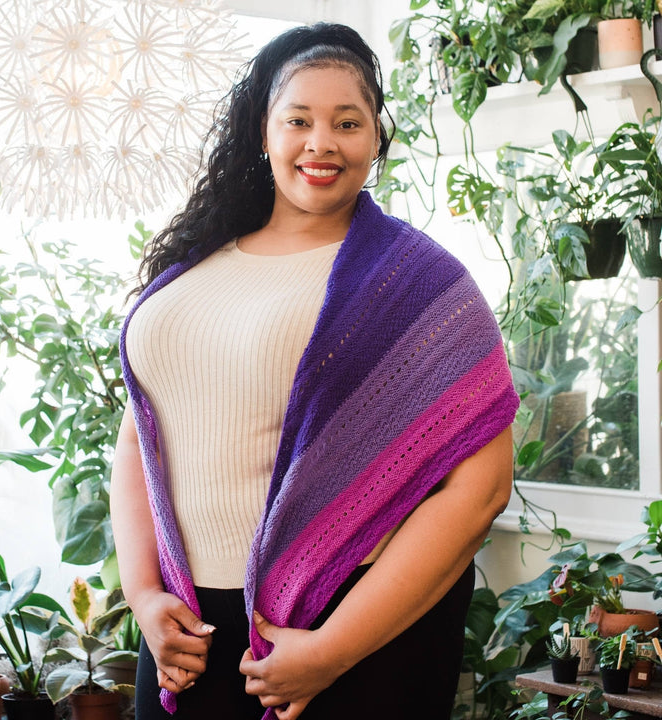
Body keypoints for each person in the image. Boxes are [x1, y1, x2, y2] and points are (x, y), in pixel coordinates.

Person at [110, 21, 519, 720]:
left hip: (338, 629)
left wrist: (333, 649)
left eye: (347, 122)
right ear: (263, 133)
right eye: (298, 119)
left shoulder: (416, 287)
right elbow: (141, 441)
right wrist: (145, 597)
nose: (321, 142)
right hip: (184, 634)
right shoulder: (194, 266)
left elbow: (480, 491)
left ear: (377, 139)